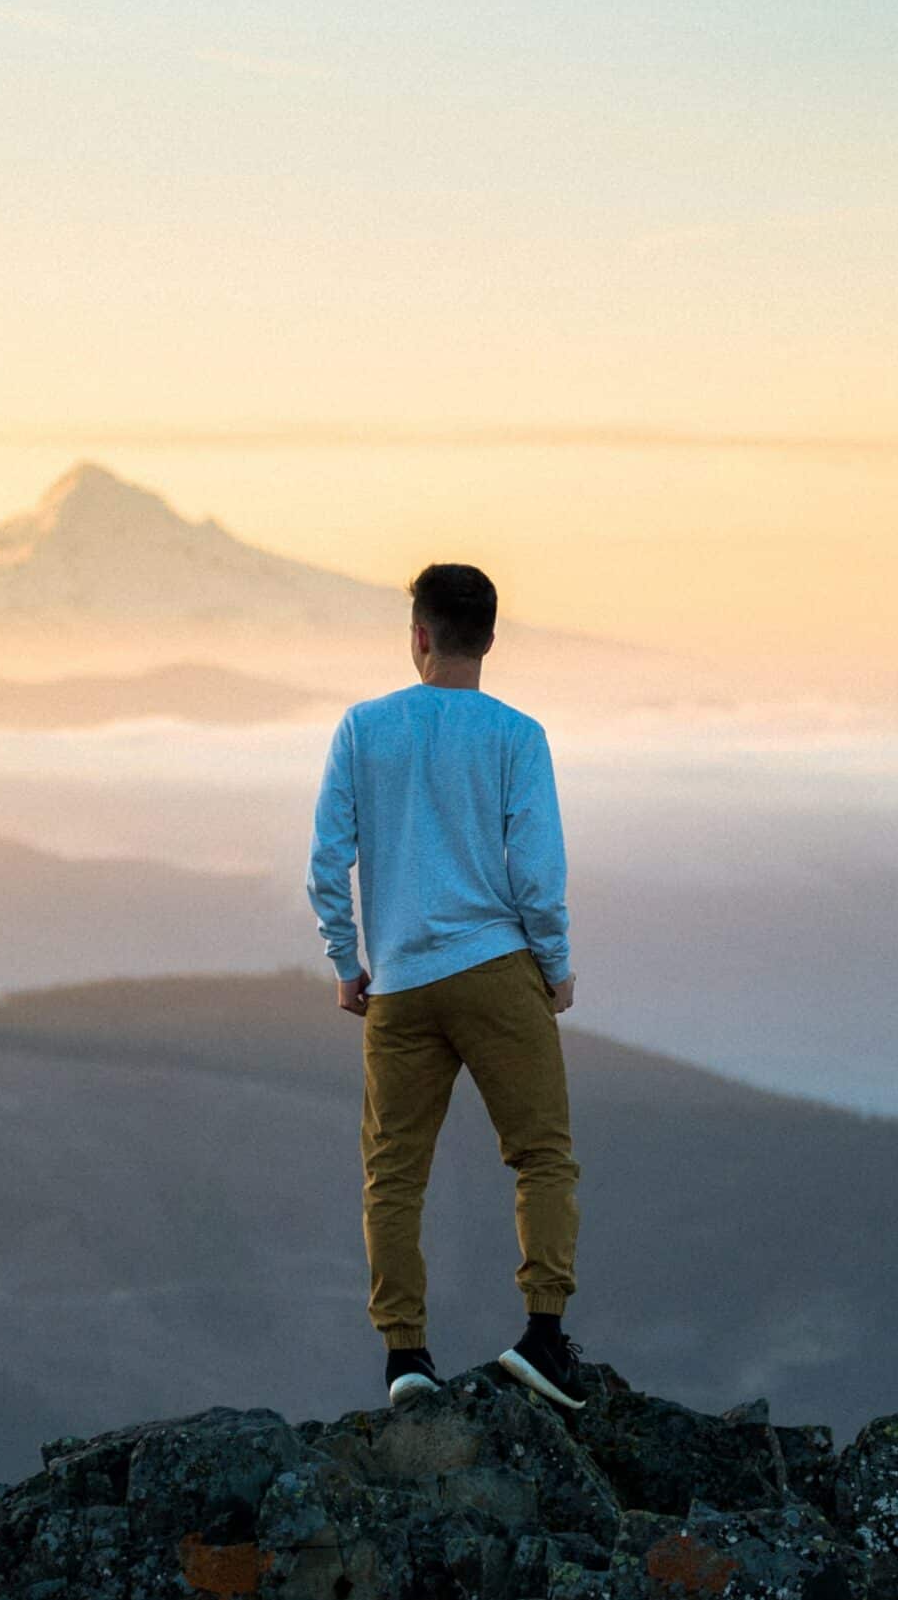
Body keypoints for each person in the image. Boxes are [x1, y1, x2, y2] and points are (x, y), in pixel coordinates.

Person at [305, 562, 587, 1410]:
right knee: (541, 1154)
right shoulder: (515, 735)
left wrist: (347, 960)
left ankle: (405, 1357)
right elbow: (536, 874)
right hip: (497, 968)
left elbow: (327, 862)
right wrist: (556, 965)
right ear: (490, 638)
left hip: (398, 983)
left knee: (394, 1175)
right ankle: (542, 1334)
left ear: (419, 634)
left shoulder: (364, 728)